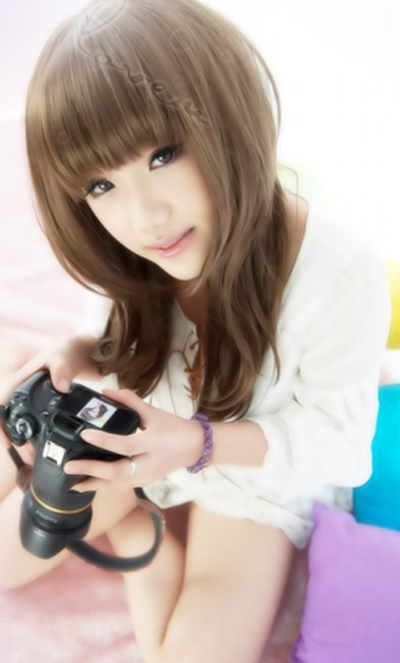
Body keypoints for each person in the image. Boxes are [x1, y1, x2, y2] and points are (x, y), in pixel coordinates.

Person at [0, 0, 391, 661]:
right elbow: (112, 321)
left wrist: (196, 443)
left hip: (254, 473)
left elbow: (341, 449)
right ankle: (138, 513)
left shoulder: (340, 269)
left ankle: (141, 535)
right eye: (100, 184)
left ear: (229, 115)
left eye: (163, 154)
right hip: (143, 426)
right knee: (8, 561)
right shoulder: (135, 246)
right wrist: (72, 349)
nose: (145, 216)